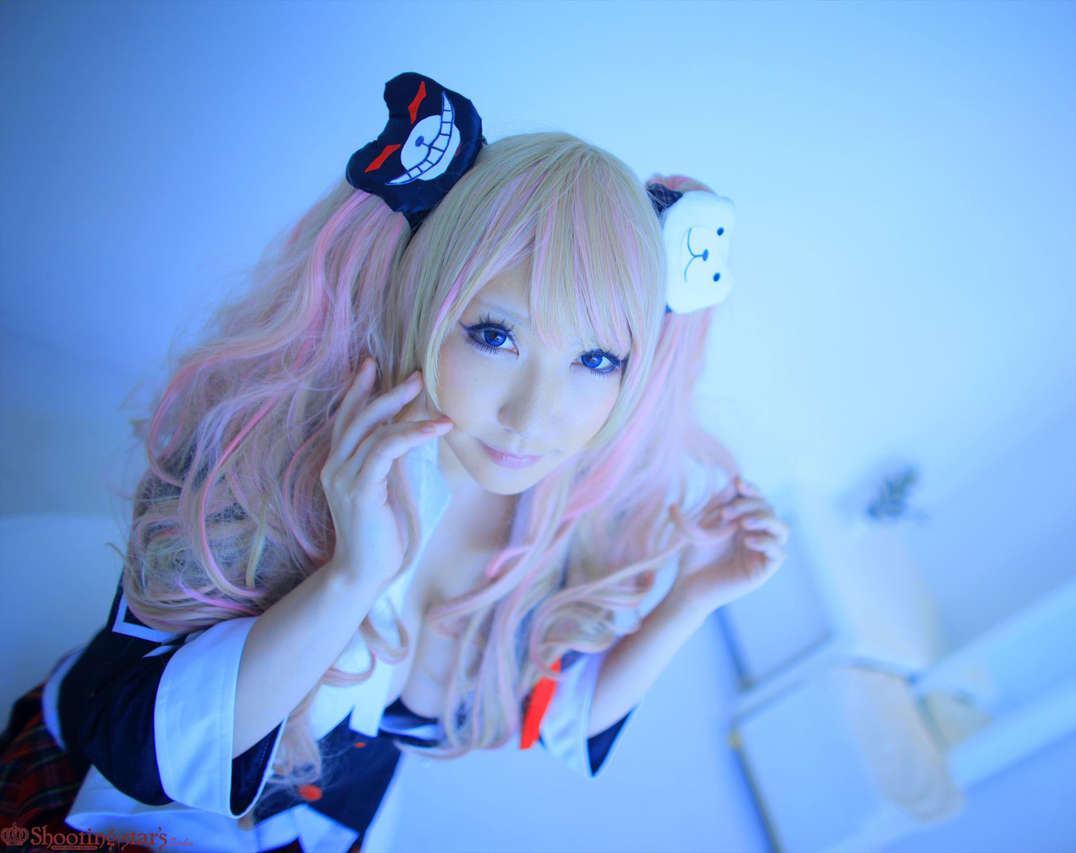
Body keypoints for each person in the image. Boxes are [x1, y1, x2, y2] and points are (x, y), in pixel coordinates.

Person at [0, 72, 789, 852]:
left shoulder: (556, 514)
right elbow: (140, 751)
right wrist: (351, 576)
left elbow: (550, 710)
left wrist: (695, 595)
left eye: (595, 358)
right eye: (494, 335)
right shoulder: (258, 456)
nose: (533, 415)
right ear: (422, 299)